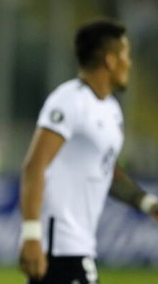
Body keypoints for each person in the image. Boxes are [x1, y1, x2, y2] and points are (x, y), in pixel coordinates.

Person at [18, 19, 158, 284]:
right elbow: (34, 165)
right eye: (125, 55)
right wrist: (31, 235)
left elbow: (104, 171)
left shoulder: (111, 110)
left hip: (80, 246)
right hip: (58, 247)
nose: (129, 63)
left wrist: (146, 202)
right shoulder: (69, 100)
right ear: (110, 61)